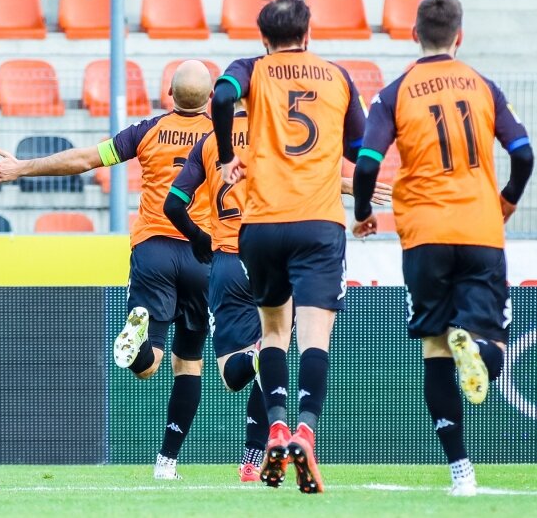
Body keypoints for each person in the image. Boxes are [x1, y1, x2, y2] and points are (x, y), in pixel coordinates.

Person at [0, 60, 215, 480]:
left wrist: (23, 167)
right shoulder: (223, 137)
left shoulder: (146, 132)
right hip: (203, 253)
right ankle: (167, 462)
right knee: (189, 363)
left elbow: (86, 159)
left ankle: (137, 342)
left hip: (153, 250)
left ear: (169, 94)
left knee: (149, 366)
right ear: (211, 97)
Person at [352, 0, 534, 496]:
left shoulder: (393, 94)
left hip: (424, 234)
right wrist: (508, 199)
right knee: (492, 342)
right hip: (480, 229)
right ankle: (477, 348)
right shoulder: (484, 86)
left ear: (414, 35)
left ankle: (461, 473)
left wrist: (363, 212)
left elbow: (366, 163)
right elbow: (523, 153)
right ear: (460, 36)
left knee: (434, 347)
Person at [163, 105, 392, 483]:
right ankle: (255, 456)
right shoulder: (276, 133)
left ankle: (255, 448)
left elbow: (173, 203)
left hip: (228, 259)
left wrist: (199, 239)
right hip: (273, 250)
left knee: (234, 373)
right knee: (275, 346)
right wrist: (351, 186)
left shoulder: (210, 141)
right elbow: (304, 176)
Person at [210, 0, 366, 494]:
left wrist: (228, 154)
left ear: (263, 38)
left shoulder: (251, 69)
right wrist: (363, 208)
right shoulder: (338, 77)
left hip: (262, 224)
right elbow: (362, 150)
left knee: (273, 333)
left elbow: (220, 97)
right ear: (308, 32)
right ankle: (305, 432)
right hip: (318, 222)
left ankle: (275, 428)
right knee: (314, 337)